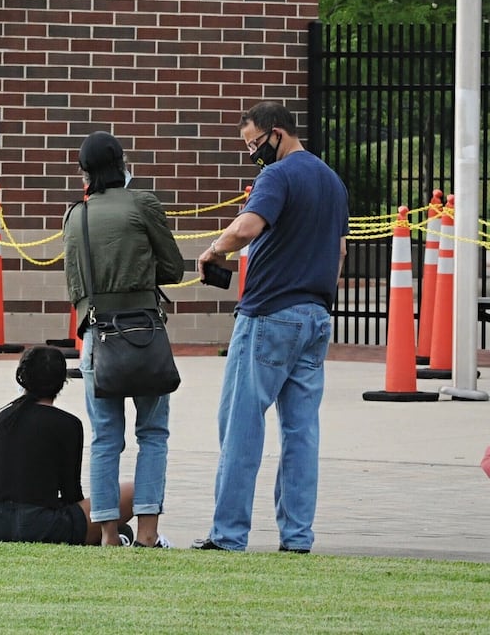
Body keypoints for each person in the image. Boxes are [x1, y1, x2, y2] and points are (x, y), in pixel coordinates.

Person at [194, 102, 348, 553]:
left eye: (254, 144)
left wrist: (213, 251)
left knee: (241, 424)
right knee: (301, 432)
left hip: (268, 314)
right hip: (316, 316)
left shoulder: (277, 177)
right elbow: (339, 253)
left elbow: (247, 226)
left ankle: (228, 536)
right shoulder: (332, 181)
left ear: (276, 134)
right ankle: (297, 537)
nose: (252, 154)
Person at [62, 131, 182, 548]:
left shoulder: (77, 215)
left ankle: (110, 535)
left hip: (98, 336)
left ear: (84, 173)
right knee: (153, 433)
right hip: (145, 332)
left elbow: (75, 287)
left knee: (105, 439)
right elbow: (173, 267)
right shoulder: (143, 202)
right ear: (122, 163)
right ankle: (148, 534)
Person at [0, 346, 135, 545]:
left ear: (22, 377)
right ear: (62, 381)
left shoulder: (5, 418)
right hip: (41, 525)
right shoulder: (68, 424)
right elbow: (71, 492)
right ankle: (111, 537)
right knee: (133, 491)